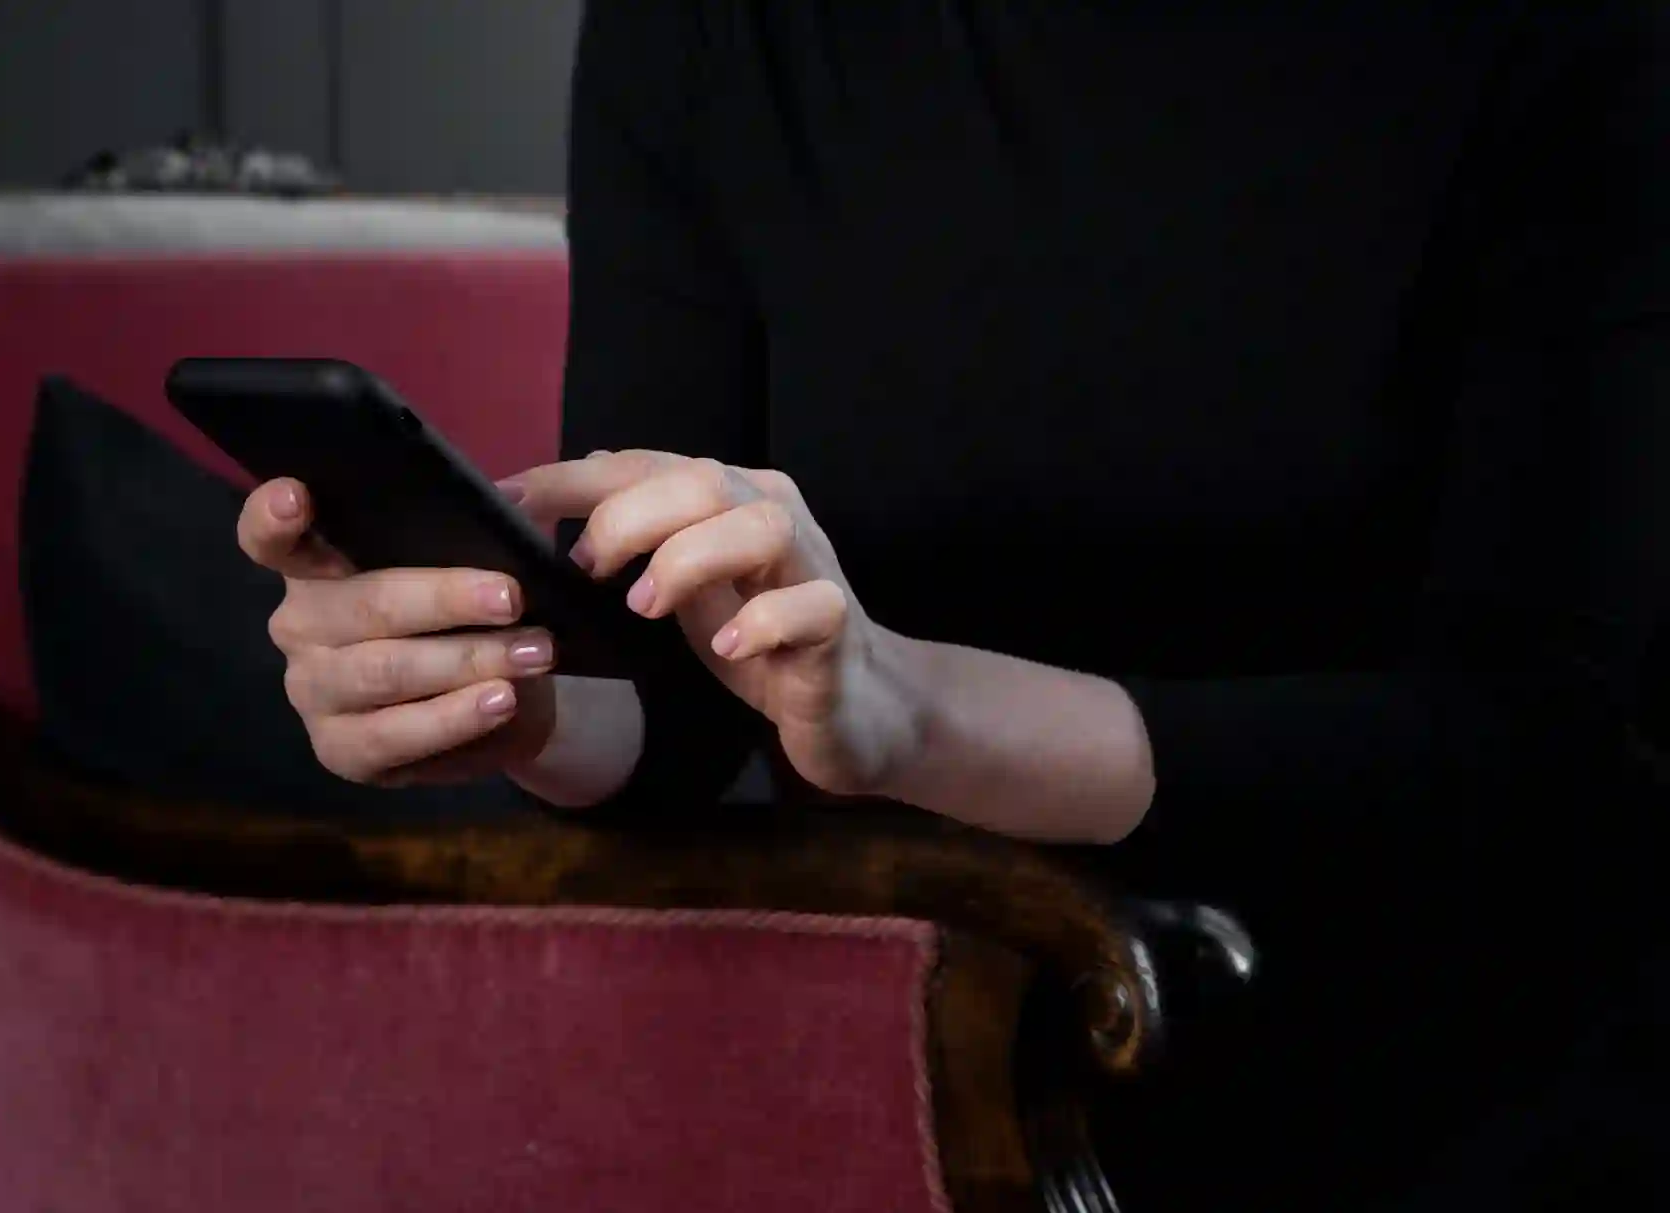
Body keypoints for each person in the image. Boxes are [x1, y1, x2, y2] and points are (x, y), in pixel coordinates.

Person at [240, 2, 1666, 1207]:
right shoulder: (711, 30)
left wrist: (913, 713)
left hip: (1448, 1073)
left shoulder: (1558, 36)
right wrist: (519, 695)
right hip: (903, 1075)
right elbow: (677, 694)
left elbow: (1552, 734)